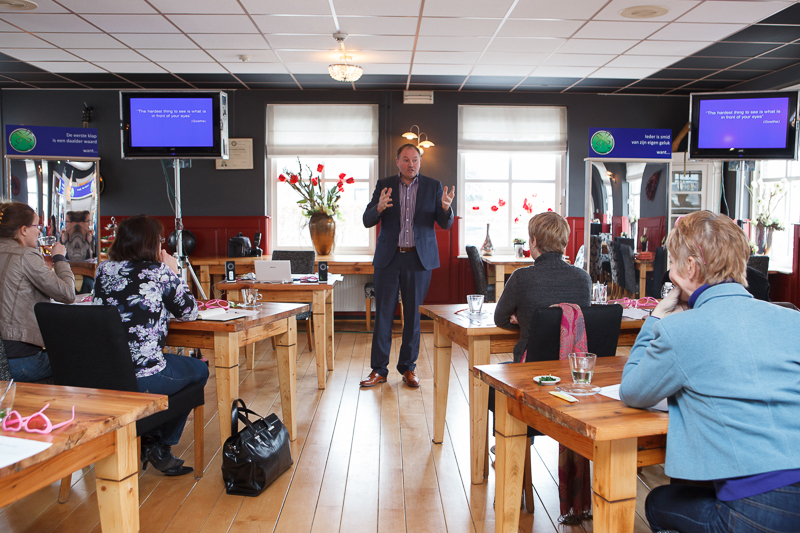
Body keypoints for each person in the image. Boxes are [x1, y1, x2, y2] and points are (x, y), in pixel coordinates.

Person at [619, 211, 800, 532]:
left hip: (757, 509)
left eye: (672, 263)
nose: (670, 272)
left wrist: (656, 320)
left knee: (659, 501)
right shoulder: (793, 320)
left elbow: (633, 389)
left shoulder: (683, 330)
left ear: (690, 267)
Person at [94, 215, 208, 477]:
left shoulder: (103, 269)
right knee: (199, 371)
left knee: (173, 369)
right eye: (159, 241)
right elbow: (189, 311)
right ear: (151, 243)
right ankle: (160, 445)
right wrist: (176, 272)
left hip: (106, 375)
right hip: (144, 376)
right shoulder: (158, 272)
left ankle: (148, 436)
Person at [360, 144, 455, 388]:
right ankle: (379, 370)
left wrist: (446, 208)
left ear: (420, 162)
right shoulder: (385, 184)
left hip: (418, 260)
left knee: (413, 316)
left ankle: (408, 368)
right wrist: (378, 208)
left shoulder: (433, 186)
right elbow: (367, 220)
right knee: (383, 315)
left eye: (414, 159)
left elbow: (444, 224)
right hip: (388, 259)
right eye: (405, 159)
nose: (410, 164)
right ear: (397, 161)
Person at [494, 211, 592, 362]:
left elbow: (500, 319)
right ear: (564, 242)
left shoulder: (521, 277)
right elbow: (580, 320)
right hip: (572, 367)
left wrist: (525, 320)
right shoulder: (584, 278)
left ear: (533, 241)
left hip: (530, 367)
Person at [0, 202, 75, 381]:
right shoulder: (25, 255)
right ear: (24, 229)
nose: (40, 231)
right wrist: (59, 258)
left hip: (4, 358)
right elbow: (67, 294)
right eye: (37, 226)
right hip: (20, 360)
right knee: (78, 361)